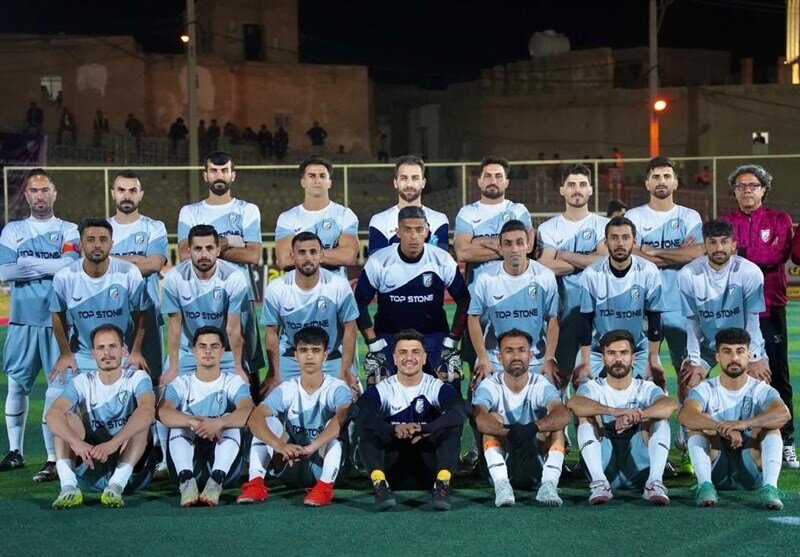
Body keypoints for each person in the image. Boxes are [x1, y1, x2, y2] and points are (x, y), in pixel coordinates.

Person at [0, 169, 80, 480]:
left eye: (45, 189)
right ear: (26, 195)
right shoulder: (13, 230)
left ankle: (52, 458)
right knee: (17, 385)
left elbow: (70, 266)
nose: (39, 195)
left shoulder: (68, 230)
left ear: (54, 194)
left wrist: (25, 264)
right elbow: (5, 272)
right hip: (22, 321)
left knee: (57, 389)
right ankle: (15, 451)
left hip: (58, 323)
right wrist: (50, 267)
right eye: (34, 190)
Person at [720, 164, 797, 468]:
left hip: (769, 307)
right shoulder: (726, 221)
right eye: (741, 186)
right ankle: (735, 437)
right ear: (734, 191)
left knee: (776, 375)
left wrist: (740, 254)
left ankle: (786, 440)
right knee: (730, 373)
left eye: (753, 185)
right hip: (731, 308)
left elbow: (776, 255)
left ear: (764, 189)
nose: (747, 190)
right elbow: (720, 255)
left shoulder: (780, 219)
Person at [349, 329, 466, 511]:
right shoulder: (384, 388)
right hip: (391, 468)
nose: (409, 358)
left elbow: (459, 412)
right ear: (394, 359)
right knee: (367, 429)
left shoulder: (435, 386)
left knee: (451, 428)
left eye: (415, 352)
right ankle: (379, 485)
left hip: (430, 468)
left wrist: (426, 428)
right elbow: (359, 413)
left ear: (424, 358)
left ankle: (442, 485)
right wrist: (393, 429)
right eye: (403, 352)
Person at [177, 151, 264, 389]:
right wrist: (228, 242)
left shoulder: (247, 209)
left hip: (240, 295)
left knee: (246, 361)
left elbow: (253, 254)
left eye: (224, 170)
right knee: (202, 354)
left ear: (232, 175)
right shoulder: (190, 211)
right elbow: (184, 253)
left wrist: (206, 250)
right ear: (205, 175)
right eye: (214, 171)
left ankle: (251, 408)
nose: (219, 175)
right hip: (200, 296)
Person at [46, 324, 156, 509]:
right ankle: (68, 487)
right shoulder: (82, 381)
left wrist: (114, 443)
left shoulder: (137, 378)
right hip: (91, 464)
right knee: (66, 418)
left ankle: (116, 485)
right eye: (101, 348)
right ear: (93, 354)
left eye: (112, 346)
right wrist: (76, 442)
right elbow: (52, 414)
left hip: (131, 471)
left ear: (123, 350)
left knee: (141, 420)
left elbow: (148, 411)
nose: (107, 353)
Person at [355, 206, 470, 382]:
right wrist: (373, 343)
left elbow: (464, 300)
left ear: (427, 231)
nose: (414, 236)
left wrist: (451, 342)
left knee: (450, 378)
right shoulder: (379, 261)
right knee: (377, 381)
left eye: (419, 229)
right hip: (389, 336)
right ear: (398, 232)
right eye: (407, 230)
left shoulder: (442, 259)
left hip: (433, 335)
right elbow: (359, 302)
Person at [239, 326, 351, 506]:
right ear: (295, 355)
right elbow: (254, 418)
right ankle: (255, 483)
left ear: (325, 355)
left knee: (339, 421)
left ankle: (324, 487)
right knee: (267, 421)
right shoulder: (287, 388)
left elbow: (343, 418)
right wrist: (280, 445)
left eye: (315, 350)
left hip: (324, 465)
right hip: (290, 464)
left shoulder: (337, 388)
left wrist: (312, 447)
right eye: (303, 350)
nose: (309, 356)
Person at [679, 327, 790, 510]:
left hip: (751, 467)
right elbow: (686, 415)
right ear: (717, 357)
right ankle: (705, 485)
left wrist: (742, 424)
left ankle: (770, 488)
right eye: (727, 351)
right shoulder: (706, 388)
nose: (734, 358)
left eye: (740, 351)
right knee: (699, 425)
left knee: (772, 426)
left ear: (749, 355)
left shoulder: (760, 389)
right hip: (716, 468)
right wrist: (721, 427)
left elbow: (783, 414)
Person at [569, 329, 676, 505]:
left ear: (633, 358)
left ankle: (654, 482)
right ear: (603, 358)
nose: (618, 359)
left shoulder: (645, 387)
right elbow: (574, 403)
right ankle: (599, 483)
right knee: (585, 416)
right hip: (604, 464)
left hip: (639, 467)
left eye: (624, 353)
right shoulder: (594, 387)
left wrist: (638, 415)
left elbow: (670, 405)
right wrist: (615, 412)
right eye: (611, 353)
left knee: (659, 416)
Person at [625, 156, 704, 387]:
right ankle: (655, 411)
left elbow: (697, 253)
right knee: (646, 371)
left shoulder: (690, 216)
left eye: (667, 176)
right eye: (656, 176)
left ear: (676, 183)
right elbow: (632, 256)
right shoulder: (633, 216)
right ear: (647, 183)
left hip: (682, 305)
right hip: (644, 306)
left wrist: (651, 252)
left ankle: (687, 412)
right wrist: (678, 253)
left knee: (687, 370)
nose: (661, 181)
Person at [157, 326, 255, 507]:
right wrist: (193, 422)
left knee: (230, 418)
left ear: (223, 351)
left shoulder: (233, 381)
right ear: (193, 350)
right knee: (181, 419)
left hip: (226, 472)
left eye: (214, 346)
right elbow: (163, 412)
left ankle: (216, 481)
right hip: (188, 465)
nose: (208, 351)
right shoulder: (181, 383)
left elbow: (248, 410)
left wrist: (219, 423)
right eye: (202, 346)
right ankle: (186, 481)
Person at [472, 329, 570, 507]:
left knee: (555, 424)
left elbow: (563, 414)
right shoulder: (490, 384)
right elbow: (479, 418)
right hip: (502, 463)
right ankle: (501, 485)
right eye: (509, 351)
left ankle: (549, 484)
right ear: (499, 357)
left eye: (521, 350)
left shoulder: (540, 384)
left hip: (536, 465)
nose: (516, 356)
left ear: (530, 356)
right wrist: (508, 432)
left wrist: (532, 428)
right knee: (492, 420)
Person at [537, 163, 609, 391]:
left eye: (582, 184)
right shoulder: (549, 227)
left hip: (598, 315)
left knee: (594, 383)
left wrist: (564, 254)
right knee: (560, 378)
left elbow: (605, 261)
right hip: (562, 316)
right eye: (571, 185)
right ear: (562, 190)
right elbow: (546, 266)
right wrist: (588, 259)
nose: (577, 189)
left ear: (591, 189)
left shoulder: (604, 225)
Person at [677, 219, 769, 396]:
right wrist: (694, 361)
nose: (719, 248)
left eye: (724, 241)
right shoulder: (688, 275)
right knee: (687, 385)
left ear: (733, 245)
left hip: (742, 344)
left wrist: (754, 357)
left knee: (760, 383)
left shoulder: (750, 272)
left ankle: (746, 416)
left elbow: (753, 322)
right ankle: (690, 416)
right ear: (704, 245)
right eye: (712, 242)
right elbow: (692, 323)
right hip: (706, 346)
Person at [575, 216, 666, 389]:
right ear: (606, 242)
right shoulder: (591, 274)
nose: (620, 243)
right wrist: (585, 361)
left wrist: (653, 359)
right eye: (614, 238)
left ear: (634, 241)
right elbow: (585, 320)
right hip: (599, 346)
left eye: (625, 237)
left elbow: (654, 317)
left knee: (658, 382)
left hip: (637, 345)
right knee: (581, 383)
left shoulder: (648, 271)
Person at [261, 232, 358, 391]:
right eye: (302, 252)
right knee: (271, 396)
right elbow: (272, 331)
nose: (308, 258)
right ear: (292, 256)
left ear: (321, 256)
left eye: (313, 252)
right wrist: (273, 373)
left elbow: (350, 328)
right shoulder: (277, 288)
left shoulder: (339, 285)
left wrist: (345, 371)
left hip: (331, 356)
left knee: (350, 397)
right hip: (292, 356)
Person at [468, 220, 559, 386]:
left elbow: (553, 318)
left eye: (519, 243)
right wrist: (482, 358)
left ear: (528, 246)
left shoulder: (544, 276)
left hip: (535, 358)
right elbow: (473, 317)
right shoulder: (487, 278)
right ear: (500, 248)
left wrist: (549, 358)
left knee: (555, 397)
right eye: (508, 244)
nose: (514, 249)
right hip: (495, 358)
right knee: (480, 397)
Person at [162, 224, 249, 383]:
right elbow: (174, 327)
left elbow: (233, 329)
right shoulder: (174, 278)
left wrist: (238, 367)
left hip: (224, 351)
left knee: (241, 387)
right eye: (198, 249)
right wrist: (173, 368)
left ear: (218, 250)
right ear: (189, 251)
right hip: (187, 350)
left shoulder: (234, 277)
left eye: (209, 248)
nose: (204, 254)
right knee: (165, 387)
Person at [109, 170, 168, 382]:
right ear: (113, 193)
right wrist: (137, 259)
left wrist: (113, 261)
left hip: (148, 314)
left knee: (152, 379)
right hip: (111, 315)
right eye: (121, 190)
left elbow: (154, 264)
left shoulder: (154, 227)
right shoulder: (103, 230)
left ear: (140, 195)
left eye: (132, 191)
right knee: (112, 380)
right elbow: (95, 266)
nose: (127, 195)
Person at [275, 155, 359, 277]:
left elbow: (349, 256)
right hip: (299, 287)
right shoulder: (287, 218)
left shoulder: (345, 214)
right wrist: (331, 255)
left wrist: (302, 255)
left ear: (329, 182)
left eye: (322, 176)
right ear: (303, 182)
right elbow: (285, 260)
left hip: (335, 286)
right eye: (312, 176)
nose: (317, 180)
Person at [454, 156, 534, 282]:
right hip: (478, 289)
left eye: (498, 176)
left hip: (514, 287)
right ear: (479, 181)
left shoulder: (519, 210)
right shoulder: (467, 212)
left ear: (506, 182)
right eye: (487, 176)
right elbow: (463, 252)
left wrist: (479, 241)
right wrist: (510, 249)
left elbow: (528, 248)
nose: (493, 180)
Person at [368, 155, 449, 254]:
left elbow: (440, 258)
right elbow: (377, 260)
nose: (409, 184)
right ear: (395, 183)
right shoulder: (380, 221)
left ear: (423, 183)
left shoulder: (438, 220)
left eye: (415, 178)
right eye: (404, 178)